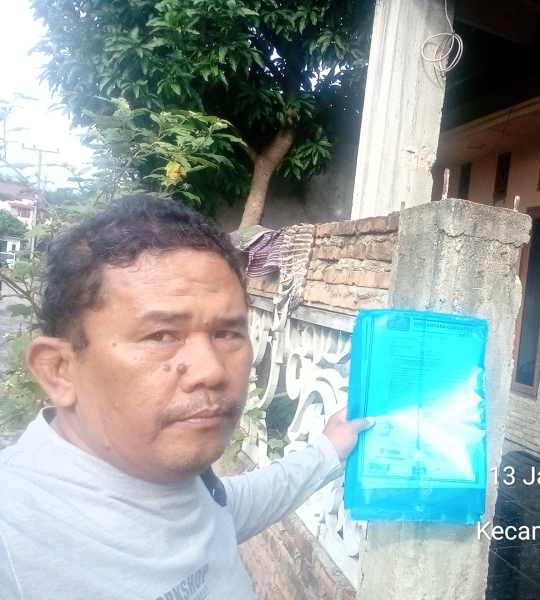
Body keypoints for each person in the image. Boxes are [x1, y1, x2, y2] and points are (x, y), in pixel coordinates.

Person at [0, 194, 373, 599]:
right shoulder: (16, 538)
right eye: (161, 335)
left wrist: (328, 450)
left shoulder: (172, 483)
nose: (212, 370)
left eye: (227, 333)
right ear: (60, 369)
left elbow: (223, 512)